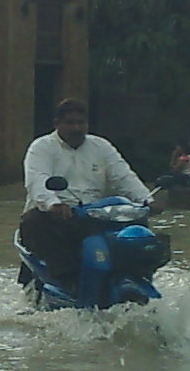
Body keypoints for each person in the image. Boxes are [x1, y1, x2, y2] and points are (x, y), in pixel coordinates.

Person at [20, 98, 154, 290]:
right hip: (57, 215)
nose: (76, 128)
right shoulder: (41, 147)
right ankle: (66, 281)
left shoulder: (101, 147)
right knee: (34, 221)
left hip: (95, 215)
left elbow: (123, 176)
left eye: (81, 123)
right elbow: (37, 180)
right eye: (70, 123)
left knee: (137, 228)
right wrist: (53, 204)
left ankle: (138, 275)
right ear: (57, 123)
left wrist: (147, 199)